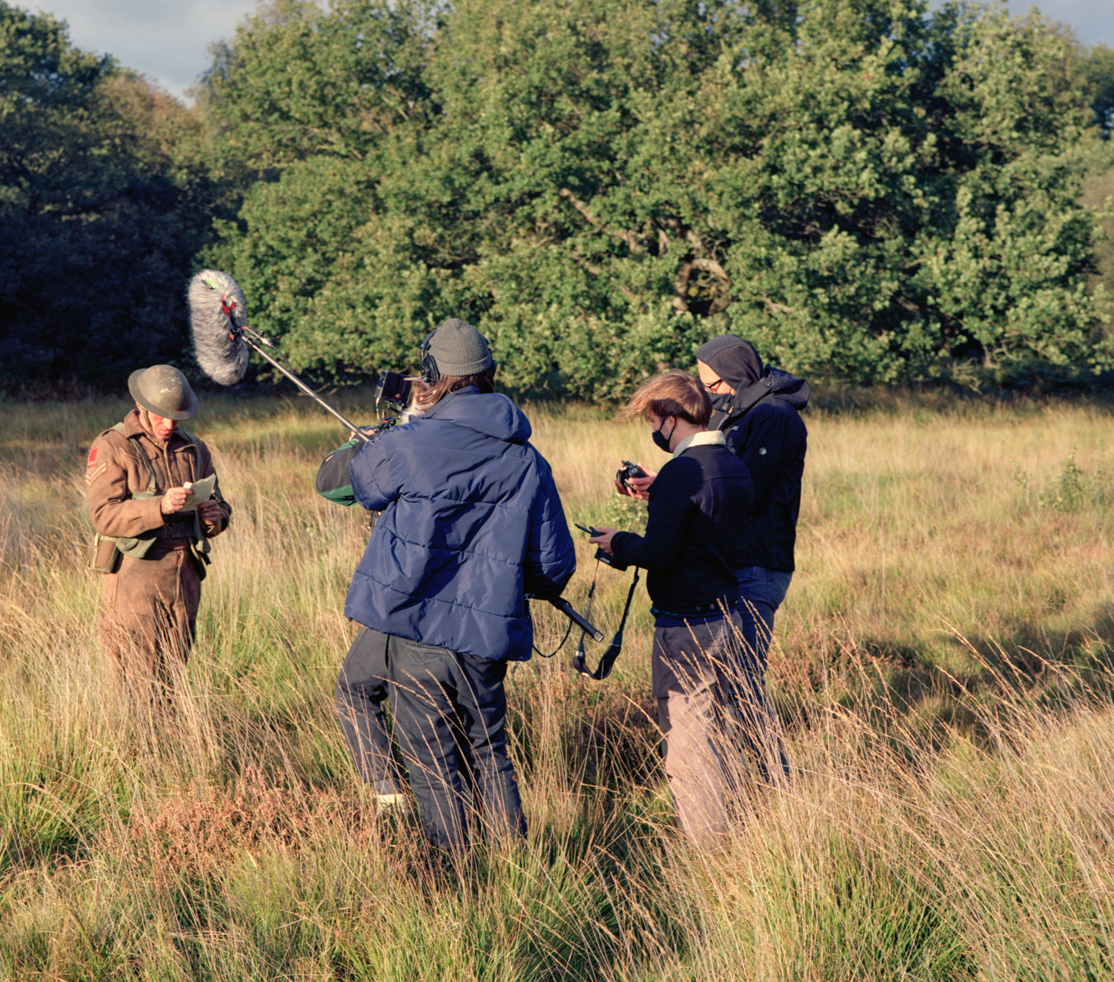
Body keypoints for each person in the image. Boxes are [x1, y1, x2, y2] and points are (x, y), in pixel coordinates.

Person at [315, 320, 576, 855]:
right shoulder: (527, 458)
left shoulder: (408, 444)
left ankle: (456, 883)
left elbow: (350, 486)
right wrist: (505, 587)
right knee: (489, 752)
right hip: (488, 635)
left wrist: (390, 429)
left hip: (417, 628)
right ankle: (513, 871)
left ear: (433, 375)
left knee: (433, 763)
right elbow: (555, 565)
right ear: (487, 375)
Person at [585, 370, 785, 842]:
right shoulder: (731, 463)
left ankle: (708, 850)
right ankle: (741, 825)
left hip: (686, 626)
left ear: (671, 418)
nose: (654, 430)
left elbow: (659, 553)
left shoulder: (682, 472)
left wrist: (618, 542)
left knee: (689, 745)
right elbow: (700, 530)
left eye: (654, 420)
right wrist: (659, 498)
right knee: (716, 728)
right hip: (727, 615)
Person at [86, 364, 232, 699]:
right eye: (161, 417)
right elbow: (104, 516)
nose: (169, 425)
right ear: (141, 407)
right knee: (137, 675)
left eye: (176, 418)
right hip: (135, 574)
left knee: (175, 669)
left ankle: (171, 731)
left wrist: (214, 516)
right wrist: (160, 507)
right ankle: (137, 733)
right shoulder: (114, 445)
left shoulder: (194, 448)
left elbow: (220, 506)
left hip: (185, 573)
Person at [692, 334, 809, 666]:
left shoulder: (774, 416)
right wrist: (664, 485)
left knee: (742, 678)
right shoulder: (733, 412)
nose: (709, 393)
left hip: (755, 564)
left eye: (713, 384)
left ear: (736, 374)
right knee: (720, 676)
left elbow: (745, 492)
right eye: (703, 386)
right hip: (730, 561)